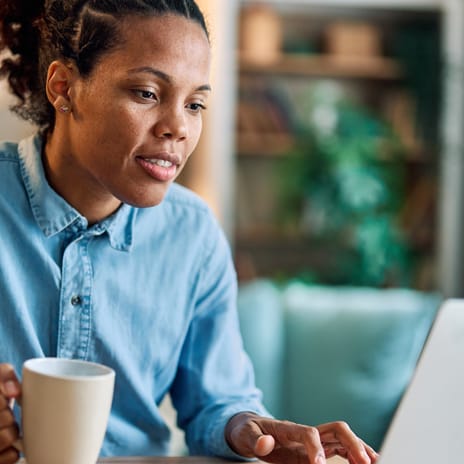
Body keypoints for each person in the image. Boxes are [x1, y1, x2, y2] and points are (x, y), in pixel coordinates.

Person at [0, 1, 379, 464]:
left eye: (195, 103)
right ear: (65, 88)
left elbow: (217, 401)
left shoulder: (193, 235)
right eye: (146, 93)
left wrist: (251, 430)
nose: (177, 127)